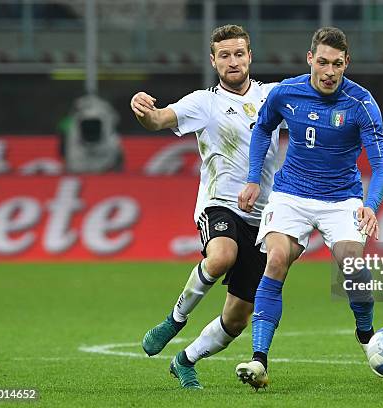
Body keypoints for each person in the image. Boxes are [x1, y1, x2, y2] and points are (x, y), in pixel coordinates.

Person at [235, 27, 383, 389]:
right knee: (275, 260)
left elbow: (380, 167)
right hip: (291, 194)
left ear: (346, 63)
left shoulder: (361, 104)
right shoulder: (286, 92)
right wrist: (254, 177)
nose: (329, 71)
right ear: (310, 59)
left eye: (337, 64)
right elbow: (263, 128)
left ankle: (366, 335)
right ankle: (259, 359)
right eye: (322, 62)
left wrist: (371, 205)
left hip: (341, 198)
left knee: (352, 265)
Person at [130, 24, 284, 389]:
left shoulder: (274, 96)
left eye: (239, 54)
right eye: (225, 55)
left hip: (263, 216)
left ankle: (185, 360)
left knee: (237, 319)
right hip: (220, 205)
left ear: (250, 57)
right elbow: (158, 119)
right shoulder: (204, 102)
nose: (233, 61)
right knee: (220, 256)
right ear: (213, 61)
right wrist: (143, 111)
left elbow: (314, 102)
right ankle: (175, 320)